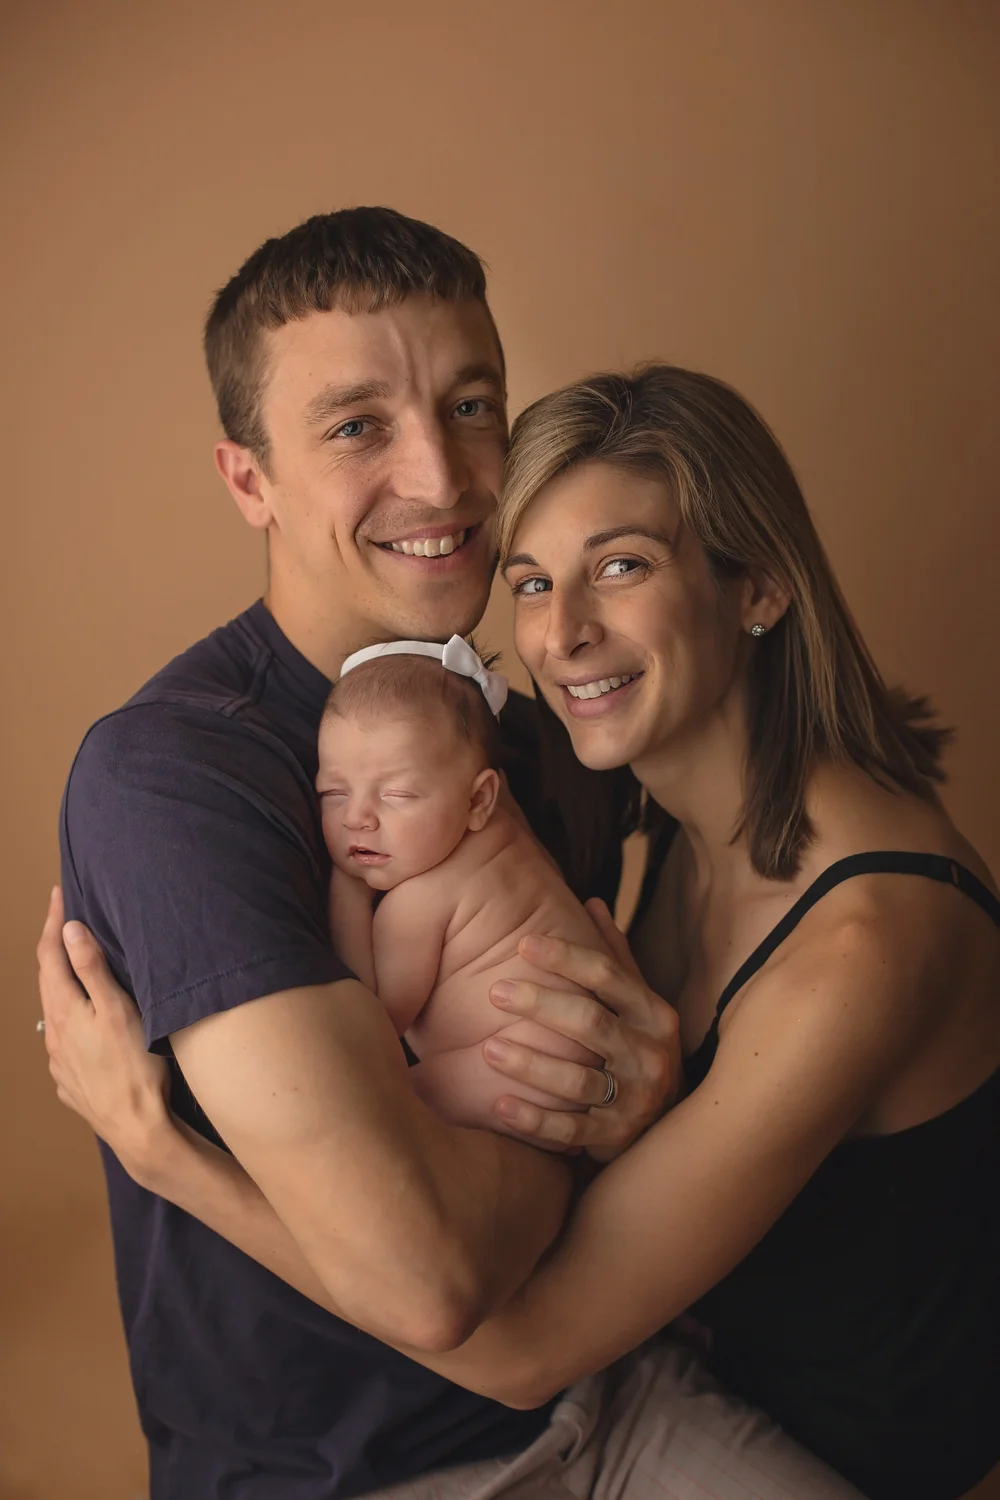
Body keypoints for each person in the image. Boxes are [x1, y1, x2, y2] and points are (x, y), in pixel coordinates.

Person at [38, 364, 999, 1500]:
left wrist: (167, 1159)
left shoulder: (863, 942)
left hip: (822, 1459)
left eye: (622, 567)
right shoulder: (681, 819)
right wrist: (619, 1122)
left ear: (761, 588)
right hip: (674, 1386)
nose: (564, 635)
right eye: (534, 583)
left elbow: (523, 1349)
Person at [320, 637, 612, 1133]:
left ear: (479, 799)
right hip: (585, 1052)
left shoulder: (420, 900)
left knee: (369, 1104)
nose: (357, 818)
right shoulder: (511, 835)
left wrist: (347, 888)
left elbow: (372, 1026)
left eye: (398, 794)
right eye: (333, 791)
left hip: (523, 1065)